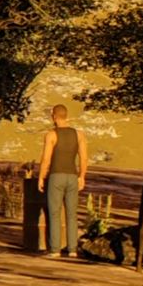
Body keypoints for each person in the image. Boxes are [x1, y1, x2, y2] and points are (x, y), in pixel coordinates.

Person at [37, 104, 88, 258]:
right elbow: (84, 158)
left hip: (56, 176)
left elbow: (46, 159)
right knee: (72, 214)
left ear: (54, 116)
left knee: (54, 213)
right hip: (72, 176)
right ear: (66, 116)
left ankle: (55, 249)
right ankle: (72, 249)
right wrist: (82, 176)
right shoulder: (79, 134)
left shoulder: (51, 135)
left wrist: (41, 176)